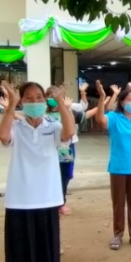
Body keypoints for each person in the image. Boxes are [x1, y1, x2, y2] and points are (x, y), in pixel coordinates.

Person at [0, 81, 75, 262]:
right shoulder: (17, 126)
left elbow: (68, 133)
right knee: (21, 254)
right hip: (19, 200)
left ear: (45, 101)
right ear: (22, 101)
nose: (34, 102)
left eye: (38, 97)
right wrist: (11, 106)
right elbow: (2, 136)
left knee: (47, 252)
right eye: (28, 98)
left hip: (47, 199)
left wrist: (61, 104)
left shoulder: (52, 127)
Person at [96, 82, 131, 250]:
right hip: (118, 167)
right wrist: (103, 98)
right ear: (122, 102)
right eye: (129, 99)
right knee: (118, 203)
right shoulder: (114, 117)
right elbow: (101, 121)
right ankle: (118, 234)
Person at [47, 85, 88, 215]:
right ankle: (50, 202)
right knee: (50, 174)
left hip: (65, 147)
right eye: (50, 97)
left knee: (65, 175)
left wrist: (68, 108)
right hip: (49, 147)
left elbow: (83, 111)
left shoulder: (67, 109)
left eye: (56, 96)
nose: (53, 99)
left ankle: (61, 203)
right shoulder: (43, 112)